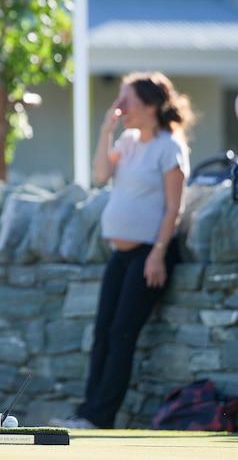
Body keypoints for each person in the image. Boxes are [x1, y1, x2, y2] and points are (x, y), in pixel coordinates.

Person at [50, 72, 194, 430]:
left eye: (126, 100)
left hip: (151, 254)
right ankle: (87, 412)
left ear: (150, 105)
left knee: (121, 335)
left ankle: (101, 417)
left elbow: (174, 207)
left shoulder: (170, 146)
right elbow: (100, 174)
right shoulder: (128, 141)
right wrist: (105, 131)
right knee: (102, 333)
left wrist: (158, 254)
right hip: (122, 255)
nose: (120, 106)